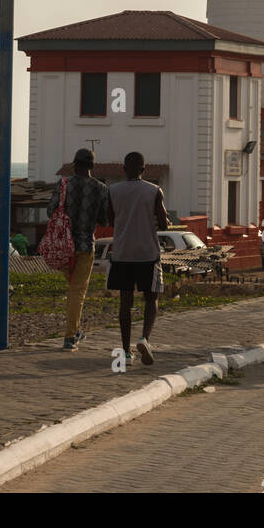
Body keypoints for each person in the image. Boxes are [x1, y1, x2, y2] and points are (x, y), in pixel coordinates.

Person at [106, 152, 169, 367]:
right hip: (147, 254)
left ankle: (125, 352)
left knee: (126, 303)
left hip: (122, 253)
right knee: (151, 298)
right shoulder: (153, 191)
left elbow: (109, 219)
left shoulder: (113, 190)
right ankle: (144, 339)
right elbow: (164, 224)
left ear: (124, 169)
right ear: (144, 169)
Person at [46, 148, 109, 351]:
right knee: (78, 291)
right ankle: (70, 336)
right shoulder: (101, 188)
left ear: (74, 165)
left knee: (74, 290)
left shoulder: (63, 184)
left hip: (63, 247)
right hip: (85, 246)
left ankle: (75, 330)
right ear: (92, 166)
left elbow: (50, 211)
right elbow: (103, 219)